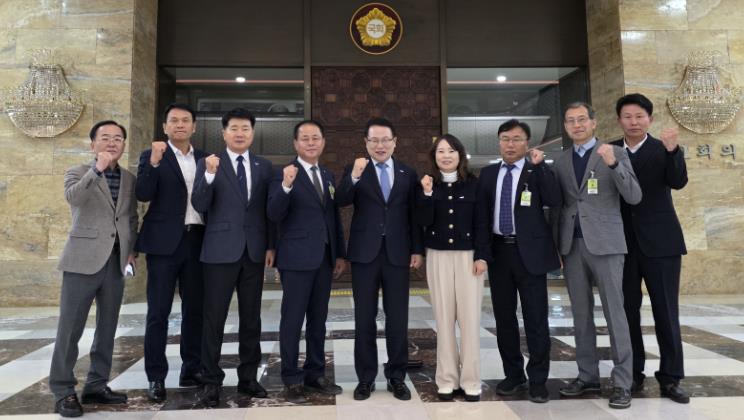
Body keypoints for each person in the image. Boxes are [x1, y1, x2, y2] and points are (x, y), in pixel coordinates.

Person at [553, 102, 642, 409]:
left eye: (582, 120)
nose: (576, 125)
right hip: (572, 246)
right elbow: (560, 206)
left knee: (615, 313)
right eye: (570, 121)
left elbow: (634, 195)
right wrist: (557, 247)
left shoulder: (614, 153)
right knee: (580, 315)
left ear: (593, 123)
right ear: (566, 126)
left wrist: (614, 165)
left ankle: (622, 382)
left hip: (607, 245)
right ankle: (587, 375)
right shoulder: (561, 161)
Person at [49, 120, 138, 417]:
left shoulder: (128, 178)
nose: (112, 143)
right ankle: (63, 390)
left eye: (118, 138)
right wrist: (96, 170)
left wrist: (131, 251)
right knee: (70, 328)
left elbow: (130, 217)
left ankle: (97, 385)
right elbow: (73, 198)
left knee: (108, 327)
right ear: (93, 144)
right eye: (106, 137)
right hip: (82, 260)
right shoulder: (77, 172)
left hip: (116, 262)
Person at [191, 108, 275, 407]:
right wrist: (209, 175)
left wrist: (270, 246)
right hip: (219, 252)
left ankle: (248, 378)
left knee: (251, 318)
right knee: (214, 318)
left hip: (253, 252)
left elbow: (268, 211)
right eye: (234, 128)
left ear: (253, 133)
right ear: (223, 133)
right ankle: (211, 380)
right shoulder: (208, 163)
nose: (240, 133)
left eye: (245, 129)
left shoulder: (264, 166)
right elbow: (200, 203)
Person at [336, 117, 423, 401]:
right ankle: (366, 378)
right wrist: (354, 176)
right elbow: (341, 200)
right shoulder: (356, 169)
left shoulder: (407, 172)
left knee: (397, 319)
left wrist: (417, 249)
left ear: (395, 142)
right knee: (364, 318)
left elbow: (413, 215)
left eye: (385, 140)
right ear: (366, 142)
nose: (380, 145)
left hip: (398, 253)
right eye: (374, 140)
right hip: (365, 254)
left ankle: (396, 377)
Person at [611, 93, 689, 403]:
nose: (633, 122)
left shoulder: (663, 148)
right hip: (622, 245)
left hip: (662, 243)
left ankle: (671, 377)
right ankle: (632, 373)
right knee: (627, 312)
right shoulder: (610, 151)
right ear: (619, 120)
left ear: (650, 119)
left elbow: (678, 181)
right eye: (627, 116)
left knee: (666, 311)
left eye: (639, 116)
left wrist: (673, 151)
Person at [477, 119, 561, 403]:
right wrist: (482, 253)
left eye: (516, 139)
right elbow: (481, 217)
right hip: (499, 254)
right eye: (505, 139)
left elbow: (554, 199)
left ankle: (538, 380)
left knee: (536, 319)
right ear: (499, 142)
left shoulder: (536, 170)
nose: (510, 144)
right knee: (504, 319)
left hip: (530, 255)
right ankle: (513, 375)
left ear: (527, 143)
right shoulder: (488, 174)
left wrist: (541, 166)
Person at [267, 120, 347, 404]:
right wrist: (286, 186)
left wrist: (339, 253)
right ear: (295, 143)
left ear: (323, 142)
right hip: (296, 258)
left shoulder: (326, 174)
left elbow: (332, 216)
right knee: (292, 320)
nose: (311, 143)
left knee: (318, 320)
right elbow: (273, 213)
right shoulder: (283, 173)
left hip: (324, 258)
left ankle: (315, 374)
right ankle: (291, 378)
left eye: (316, 138)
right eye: (305, 138)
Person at [135, 103, 207, 402]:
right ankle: (156, 376)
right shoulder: (153, 155)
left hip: (197, 241)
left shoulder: (204, 158)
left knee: (195, 310)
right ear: (164, 127)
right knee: (158, 312)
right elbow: (142, 193)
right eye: (174, 121)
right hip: (163, 246)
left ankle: (191, 369)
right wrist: (152, 163)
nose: (180, 125)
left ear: (194, 127)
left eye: (185, 120)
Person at [416, 134, 488, 402]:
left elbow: (482, 222)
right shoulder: (427, 184)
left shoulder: (474, 184)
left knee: (470, 320)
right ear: (434, 157)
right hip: (438, 256)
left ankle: (471, 380)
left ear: (460, 155)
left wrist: (482, 256)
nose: (446, 156)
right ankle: (446, 379)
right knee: (444, 320)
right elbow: (422, 221)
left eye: (451, 151)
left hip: (469, 257)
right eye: (440, 152)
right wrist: (426, 194)